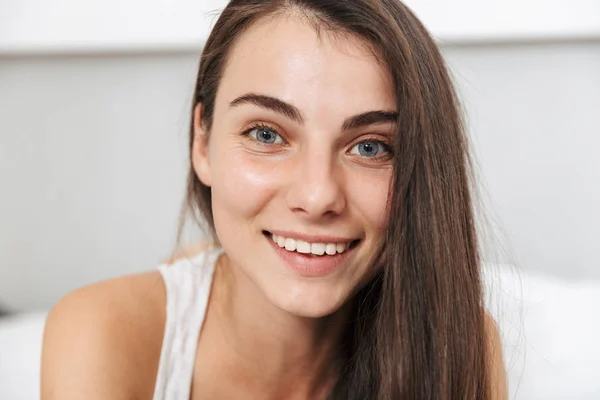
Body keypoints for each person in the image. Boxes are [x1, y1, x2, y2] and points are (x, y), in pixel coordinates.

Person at [41, 0, 507, 399]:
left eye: (370, 147)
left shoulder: (459, 341)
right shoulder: (103, 334)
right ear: (202, 142)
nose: (317, 194)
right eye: (266, 134)